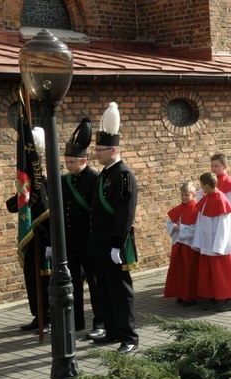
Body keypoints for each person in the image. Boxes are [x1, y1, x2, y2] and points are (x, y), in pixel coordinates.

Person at [88, 102, 139, 355]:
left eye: (100, 149)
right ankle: (111, 331)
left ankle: (129, 337)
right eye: (96, 149)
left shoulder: (124, 175)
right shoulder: (105, 173)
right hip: (100, 244)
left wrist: (117, 244)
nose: (96, 153)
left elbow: (125, 213)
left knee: (120, 291)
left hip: (114, 245)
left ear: (113, 149)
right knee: (104, 291)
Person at [60, 118, 104, 339]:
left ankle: (100, 321)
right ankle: (76, 322)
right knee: (73, 282)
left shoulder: (95, 178)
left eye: (70, 162)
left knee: (94, 283)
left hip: (89, 240)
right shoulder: (65, 181)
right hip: (71, 241)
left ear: (83, 161)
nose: (67, 166)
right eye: (66, 162)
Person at [6, 126, 51, 334]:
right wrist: (22, 190)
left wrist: (51, 243)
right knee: (31, 279)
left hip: (45, 240)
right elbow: (11, 206)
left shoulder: (49, 185)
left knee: (45, 280)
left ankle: (49, 317)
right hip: (31, 240)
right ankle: (38, 315)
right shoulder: (27, 187)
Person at [192, 172, 231, 312]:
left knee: (224, 275)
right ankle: (216, 297)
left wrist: (219, 246)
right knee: (211, 275)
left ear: (207, 185)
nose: (201, 188)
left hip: (219, 247)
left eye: (202, 185)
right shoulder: (207, 199)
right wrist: (198, 242)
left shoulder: (221, 200)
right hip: (208, 244)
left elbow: (225, 226)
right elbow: (200, 222)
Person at [163, 181, 200, 307]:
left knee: (189, 270)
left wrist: (182, 228)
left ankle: (190, 296)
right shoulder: (177, 209)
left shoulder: (197, 210)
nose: (184, 197)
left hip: (189, 245)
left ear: (194, 195)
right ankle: (179, 293)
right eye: (183, 195)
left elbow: (197, 228)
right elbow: (169, 223)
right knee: (178, 270)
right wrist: (172, 227)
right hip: (178, 244)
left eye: (187, 195)